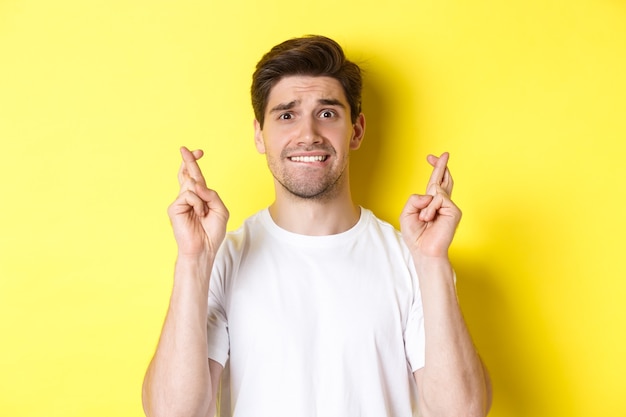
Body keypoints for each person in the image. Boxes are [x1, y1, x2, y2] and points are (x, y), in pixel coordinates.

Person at [142, 35, 492, 417]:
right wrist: (193, 261)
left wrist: (433, 262)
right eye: (286, 115)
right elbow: (173, 414)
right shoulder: (220, 259)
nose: (307, 134)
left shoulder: (412, 259)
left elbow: (462, 413)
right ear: (260, 134)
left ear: (356, 131)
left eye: (327, 113)